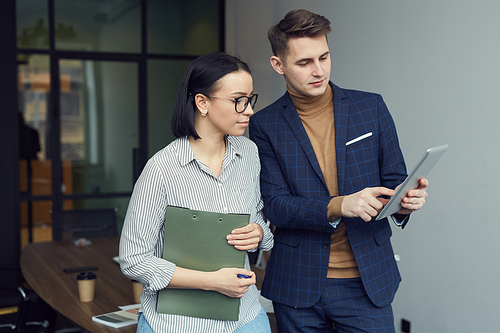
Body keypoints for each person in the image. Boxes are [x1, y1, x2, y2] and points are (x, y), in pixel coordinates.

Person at [248, 9, 429, 333]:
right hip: (297, 285)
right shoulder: (264, 124)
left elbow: (393, 181)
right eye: (304, 62)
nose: (319, 70)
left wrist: (404, 201)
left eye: (324, 57)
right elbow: (274, 204)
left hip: (367, 282)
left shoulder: (371, 107)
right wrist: (339, 205)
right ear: (279, 65)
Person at [119, 52, 274, 333]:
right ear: (202, 102)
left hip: (245, 319)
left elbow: (260, 222)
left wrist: (259, 233)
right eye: (238, 100)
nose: (249, 110)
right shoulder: (161, 169)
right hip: (176, 324)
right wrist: (212, 281)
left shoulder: (250, 154)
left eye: (250, 100)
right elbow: (134, 259)